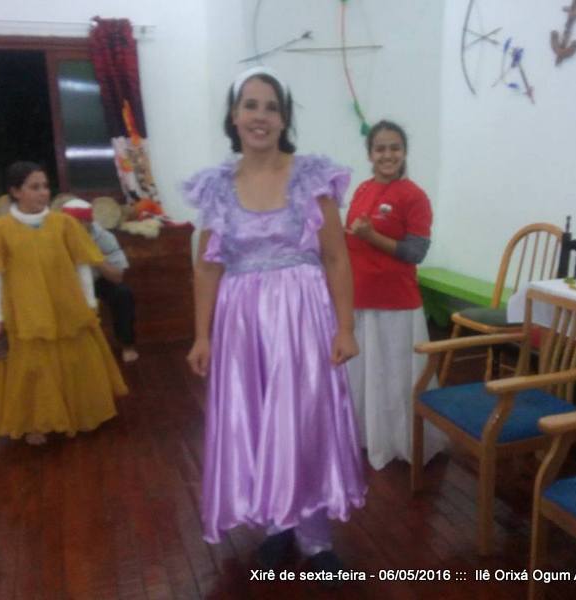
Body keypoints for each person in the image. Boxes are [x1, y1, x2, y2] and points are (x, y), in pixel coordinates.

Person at [184, 66, 366, 576]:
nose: (260, 116)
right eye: (250, 105)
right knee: (258, 422)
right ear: (234, 116)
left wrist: (345, 327)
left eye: (271, 106)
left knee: (304, 423)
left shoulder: (310, 178)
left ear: (284, 119)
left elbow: (336, 257)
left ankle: (316, 537)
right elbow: (207, 266)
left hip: (303, 320)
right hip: (242, 326)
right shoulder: (217, 187)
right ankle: (277, 525)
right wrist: (202, 336)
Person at [0, 162, 128, 446]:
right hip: (22, 312)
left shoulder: (65, 225)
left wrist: (89, 303)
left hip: (65, 308)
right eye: (34, 187)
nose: (43, 192)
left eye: (45, 186)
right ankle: (33, 422)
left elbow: (82, 266)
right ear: (16, 191)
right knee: (31, 369)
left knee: (74, 362)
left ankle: (78, 412)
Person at [345, 120, 448, 470]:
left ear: (404, 152)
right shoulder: (362, 189)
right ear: (370, 154)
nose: (387, 155)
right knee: (363, 375)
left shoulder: (414, 196)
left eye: (395, 148)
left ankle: (399, 440)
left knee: (394, 378)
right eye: (380, 148)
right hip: (360, 298)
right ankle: (365, 435)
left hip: (396, 304)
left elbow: (416, 252)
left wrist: (372, 237)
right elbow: (350, 240)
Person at [61, 198, 139, 363]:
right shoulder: (56, 237)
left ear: (89, 221)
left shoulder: (104, 237)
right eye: (70, 223)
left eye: (80, 222)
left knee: (123, 294)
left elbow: (118, 277)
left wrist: (94, 257)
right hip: (69, 284)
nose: (75, 227)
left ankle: (127, 345)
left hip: (97, 280)